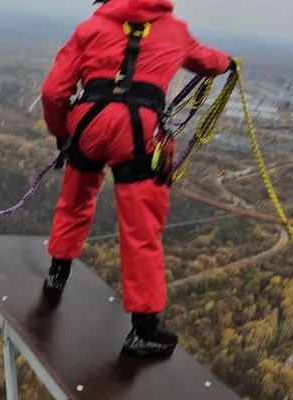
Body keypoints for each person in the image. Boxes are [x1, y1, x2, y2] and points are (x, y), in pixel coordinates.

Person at [39, 0, 235, 356]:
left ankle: (57, 274)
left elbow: (54, 92)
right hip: (140, 133)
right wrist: (229, 63)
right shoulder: (175, 31)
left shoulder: (91, 28)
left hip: (89, 122)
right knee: (142, 229)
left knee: (75, 202)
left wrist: (62, 133)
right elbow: (209, 61)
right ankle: (143, 329)